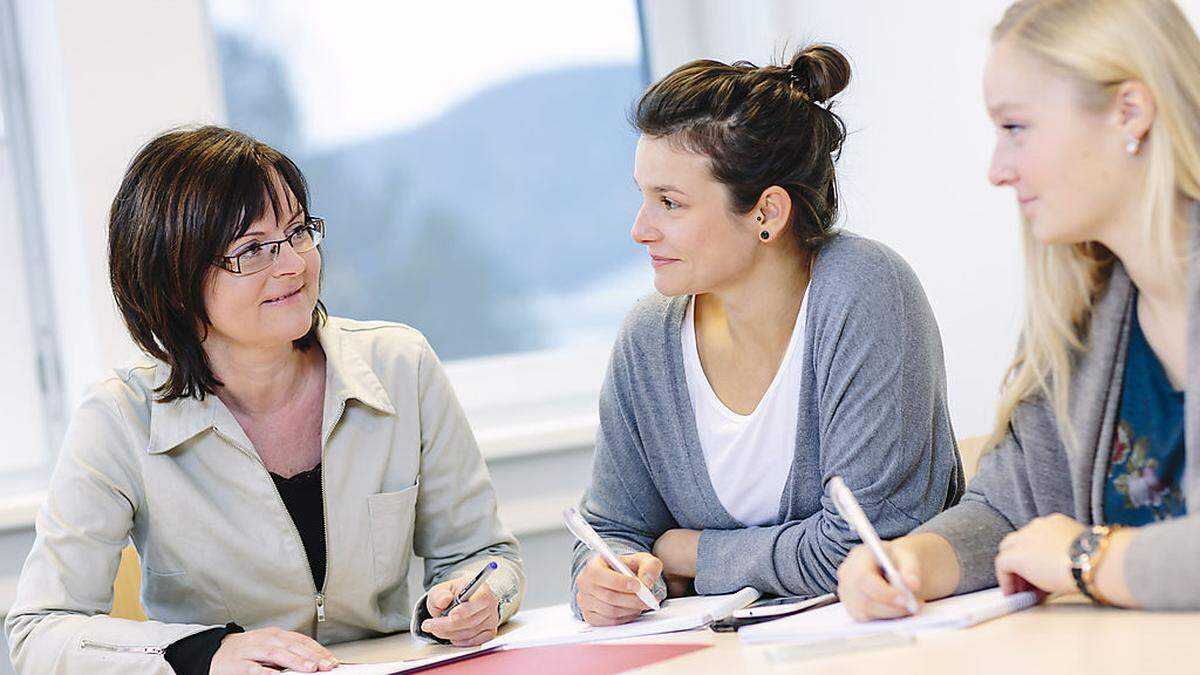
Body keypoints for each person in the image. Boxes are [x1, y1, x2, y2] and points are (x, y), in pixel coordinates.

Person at [4, 126, 524, 674]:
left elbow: (485, 556)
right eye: (252, 250)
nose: (294, 264)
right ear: (174, 280)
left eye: (298, 231)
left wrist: (479, 596)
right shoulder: (119, 419)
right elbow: (40, 631)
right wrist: (205, 654)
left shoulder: (400, 365)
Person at [570, 45, 965, 626]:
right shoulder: (649, 336)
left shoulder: (865, 290)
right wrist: (604, 579)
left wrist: (689, 552)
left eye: (670, 203)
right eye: (643, 196)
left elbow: (870, 549)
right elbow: (609, 531)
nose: (639, 229)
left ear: (767, 213)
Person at [837, 0, 1200, 619]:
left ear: (1129, 111)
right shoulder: (1088, 306)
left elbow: (1066, 548)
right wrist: (919, 559)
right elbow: (1014, 509)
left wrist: (1087, 557)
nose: (997, 171)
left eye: (1016, 128)